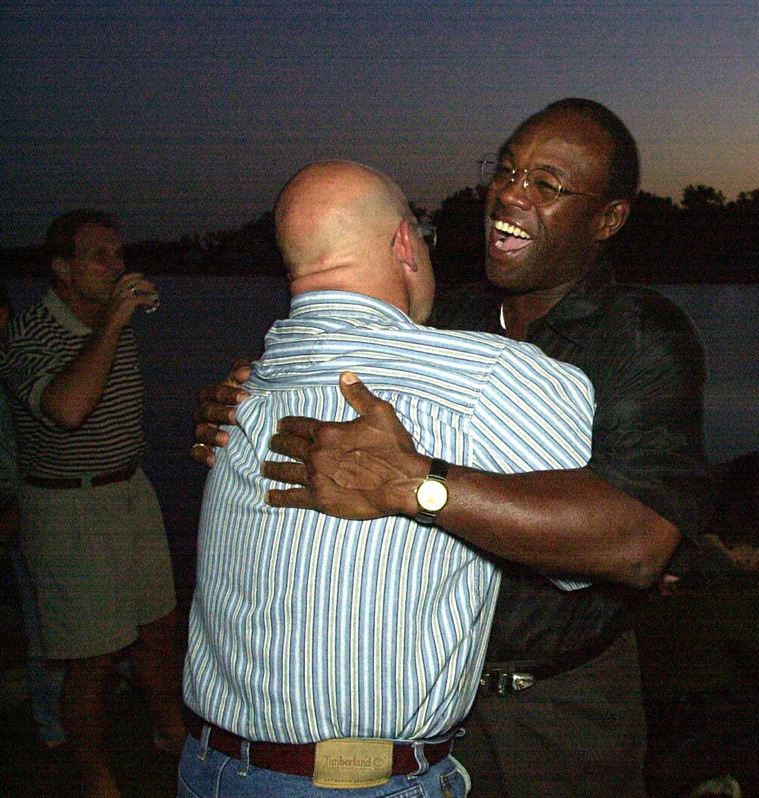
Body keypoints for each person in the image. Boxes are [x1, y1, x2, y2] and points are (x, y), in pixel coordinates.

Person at [193, 98, 713, 797]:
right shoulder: (448, 318)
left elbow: (640, 540)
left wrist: (418, 486)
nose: (510, 192)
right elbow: (340, 363)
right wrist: (244, 404)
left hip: (555, 703)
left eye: (548, 184)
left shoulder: (641, 334)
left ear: (608, 219)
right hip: (419, 710)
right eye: (506, 168)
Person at [179, 160, 595, 798]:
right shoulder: (490, 380)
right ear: (406, 243)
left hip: (208, 767)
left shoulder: (255, 386)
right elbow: (601, 545)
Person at [0, 210, 185, 798]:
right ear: (62, 269)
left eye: (118, 252)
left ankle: (172, 736)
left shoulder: (114, 319)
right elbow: (67, 409)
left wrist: (116, 319)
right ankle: (94, 775)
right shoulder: (26, 335)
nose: (117, 264)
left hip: (131, 492)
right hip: (67, 509)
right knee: (92, 657)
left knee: (159, 629)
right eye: (99, 255)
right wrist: (110, 325)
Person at [1, 281, 68, 751]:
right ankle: (51, 725)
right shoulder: (20, 356)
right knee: (42, 618)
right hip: (20, 506)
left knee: (49, 613)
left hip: (31, 502)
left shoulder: (22, 356)